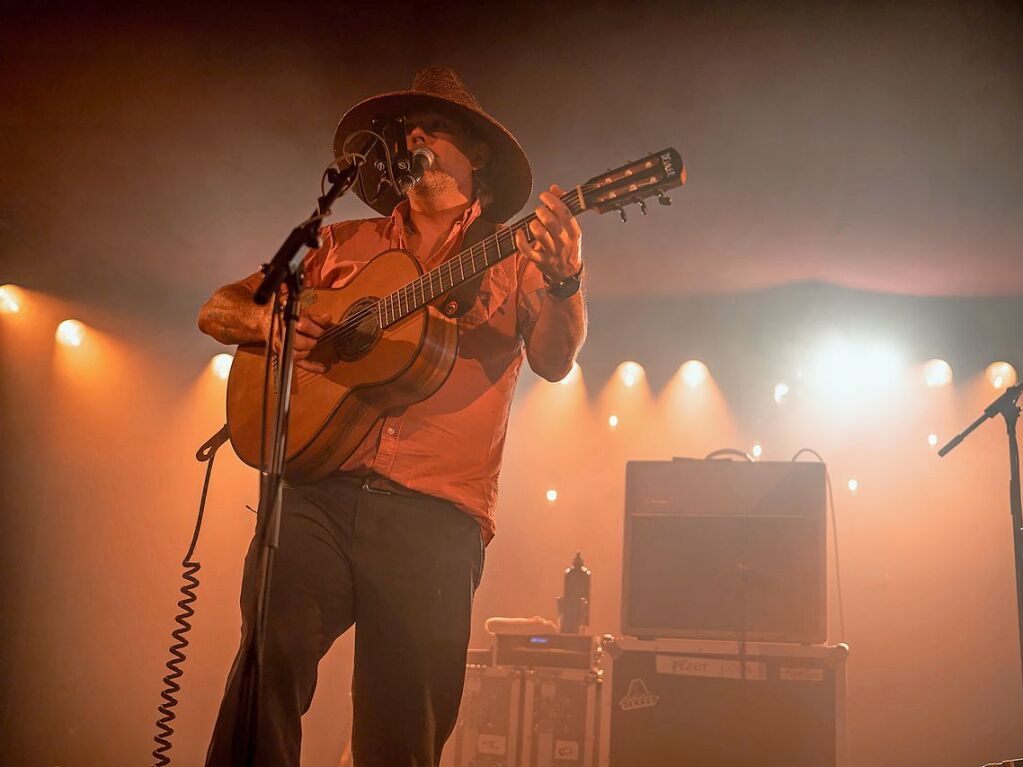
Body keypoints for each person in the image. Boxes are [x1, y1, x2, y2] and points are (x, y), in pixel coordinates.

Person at [197, 66, 586, 766]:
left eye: (433, 129)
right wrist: (271, 327)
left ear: (478, 157)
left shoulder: (512, 254)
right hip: (317, 490)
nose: (415, 139)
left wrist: (564, 281)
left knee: (401, 726)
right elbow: (219, 307)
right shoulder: (339, 241)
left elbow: (556, 359)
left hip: (433, 515)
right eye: (406, 133)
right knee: (267, 657)